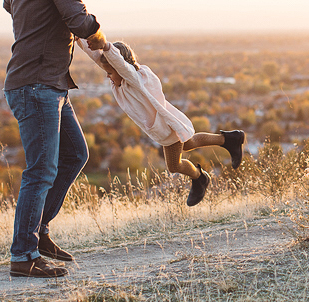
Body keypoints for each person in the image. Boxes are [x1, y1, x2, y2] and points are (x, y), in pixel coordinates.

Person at [3, 0, 108, 279]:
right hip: (37, 86)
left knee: (75, 154)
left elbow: (8, 3)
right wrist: (103, 39)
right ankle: (23, 255)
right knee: (41, 169)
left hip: (46, 84)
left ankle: (38, 232)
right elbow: (79, 20)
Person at [77, 38, 245, 205]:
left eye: (110, 72)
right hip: (163, 125)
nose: (107, 75)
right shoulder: (121, 78)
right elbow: (98, 57)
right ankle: (230, 139)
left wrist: (106, 46)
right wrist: (79, 37)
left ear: (120, 69)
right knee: (188, 143)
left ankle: (200, 177)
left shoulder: (134, 80)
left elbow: (119, 64)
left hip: (165, 126)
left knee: (174, 166)